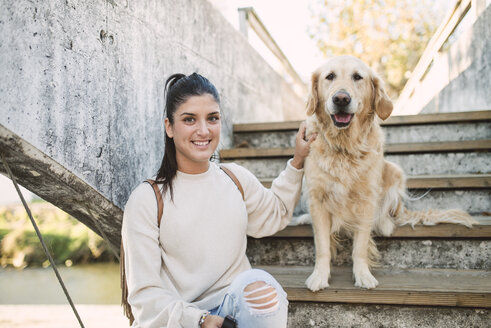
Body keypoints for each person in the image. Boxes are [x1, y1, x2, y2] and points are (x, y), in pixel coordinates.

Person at [121, 72, 317, 328]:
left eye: (212, 118)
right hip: (183, 319)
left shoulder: (235, 178)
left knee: (262, 286)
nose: (203, 130)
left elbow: (275, 214)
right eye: (189, 119)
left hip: (232, 312)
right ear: (169, 127)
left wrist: (298, 160)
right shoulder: (146, 199)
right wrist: (199, 320)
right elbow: (144, 295)